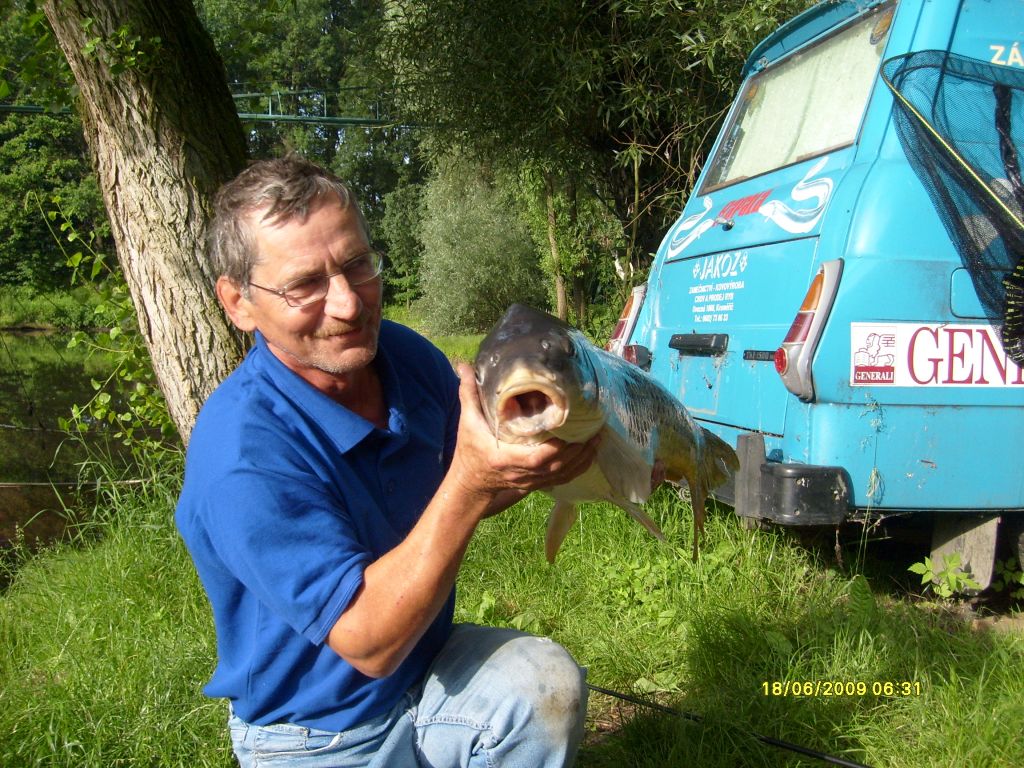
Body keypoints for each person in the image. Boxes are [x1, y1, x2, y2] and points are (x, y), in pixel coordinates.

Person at [175, 154, 600, 768]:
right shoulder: (242, 452)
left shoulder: (399, 355)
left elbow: (474, 475)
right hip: (315, 735)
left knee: (541, 683)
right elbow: (369, 642)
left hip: (421, 671)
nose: (348, 305)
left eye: (357, 265)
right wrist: (473, 482)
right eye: (305, 285)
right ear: (239, 302)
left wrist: (576, 446)